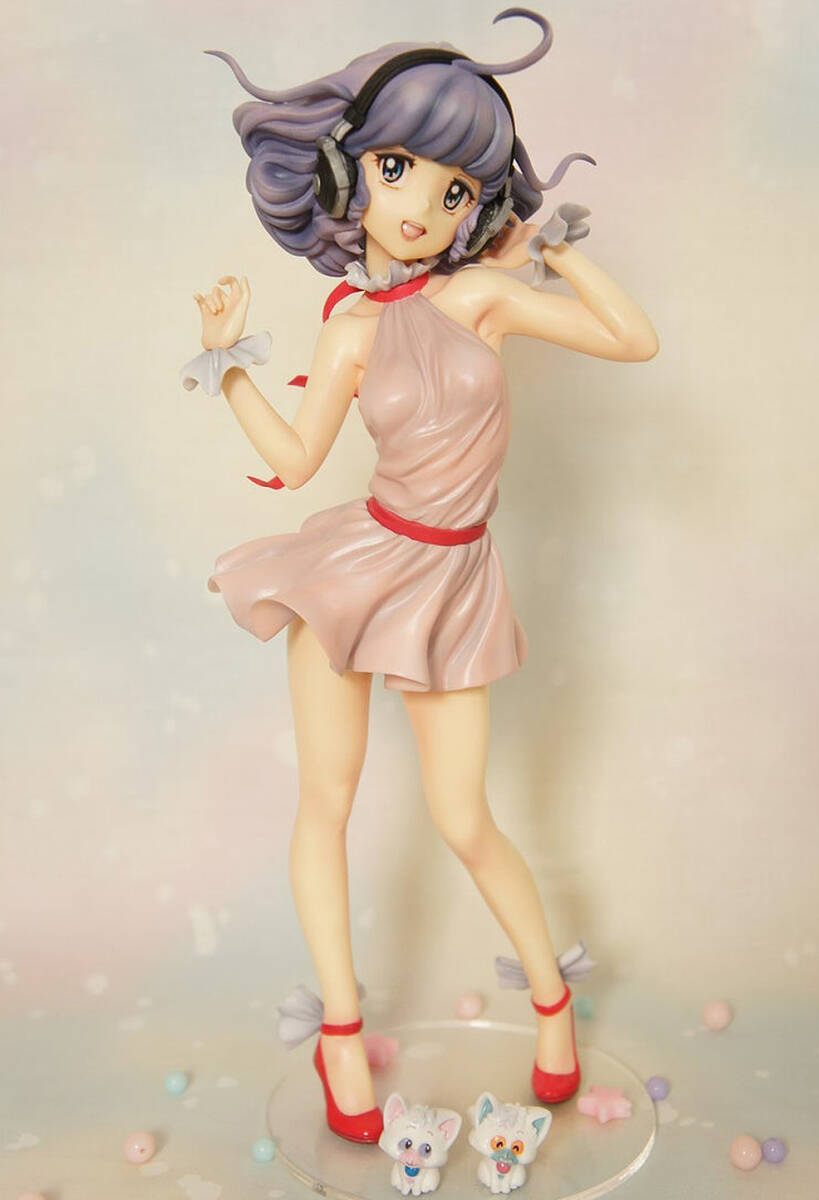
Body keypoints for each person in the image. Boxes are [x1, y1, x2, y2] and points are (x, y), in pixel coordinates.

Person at [181, 7, 658, 1145]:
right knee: (328, 801)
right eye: (398, 170)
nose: (422, 207)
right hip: (357, 568)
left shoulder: (479, 298)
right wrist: (228, 359)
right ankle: (341, 1033)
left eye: (454, 189)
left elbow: (632, 341)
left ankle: (553, 1006)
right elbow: (300, 460)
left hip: (453, 577)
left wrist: (554, 248)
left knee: (463, 816)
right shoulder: (349, 327)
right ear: (350, 170)